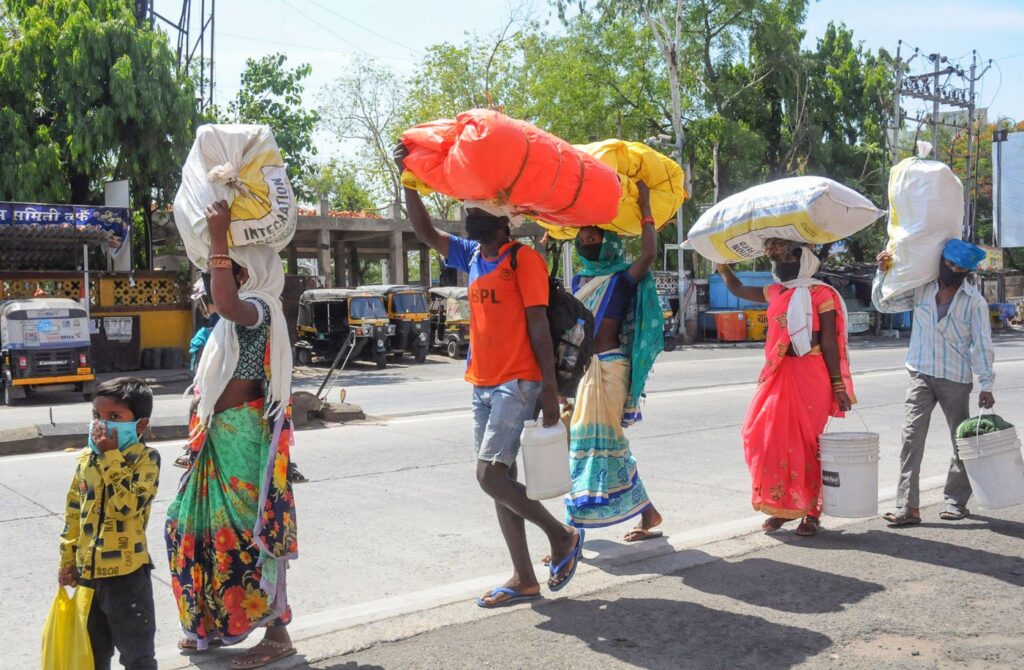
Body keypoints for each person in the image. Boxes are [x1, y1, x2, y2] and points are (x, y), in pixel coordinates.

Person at [396, 144, 584, 608]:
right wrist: (407, 176)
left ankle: (561, 536)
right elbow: (423, 229)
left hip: (518, 380)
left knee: (488, 476)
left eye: (477, 212)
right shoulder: (472, 255)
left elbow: (539, 327)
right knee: (502, 480)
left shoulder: (524, 260)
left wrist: (549, 390)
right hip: (481, 381)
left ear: (502, 221)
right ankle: (524, 577)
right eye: (467, 211)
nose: (468, 218)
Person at [165, 201, 299, 669]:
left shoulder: (258, 310)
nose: (223, 275)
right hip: (217, 439)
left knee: (249, 536)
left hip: (243, 440)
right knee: (189, 528)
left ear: (255, 272)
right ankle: (212, 624)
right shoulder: (231, 321)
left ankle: (276, 633)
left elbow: (224, 300)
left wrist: (220, 236)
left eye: (234, 269)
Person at [718, 239, 855, 537]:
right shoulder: (776, 291)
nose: (781, 262)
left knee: (807, 445)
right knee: (763, 437)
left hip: (812, 375)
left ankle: (811, 512)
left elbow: (830, 341)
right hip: (779, 372)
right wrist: (724, 268)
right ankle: (781, 505)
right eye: (776, 257)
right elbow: (739, 290)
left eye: (786, 255)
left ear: (803, 258)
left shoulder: (822, 293)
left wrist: (838, 385)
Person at [563, 183, 665, 539]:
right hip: (581, 372)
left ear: (608, 243)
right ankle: (648, 513)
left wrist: (645, 206)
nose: (587, 243)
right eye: (582, 239)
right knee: (594, 445)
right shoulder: (578, 281)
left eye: (594, 238)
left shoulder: (622, 278)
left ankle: (570, 532)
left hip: (610, 367)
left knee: (592, 445)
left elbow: (649, 254)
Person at [873, 239, 995, 526]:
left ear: (968, 271)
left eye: (959, 268)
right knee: (911, 438)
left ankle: (955, 502)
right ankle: (907, 507)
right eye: (949, 264)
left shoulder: (974, 302)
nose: (952, 270)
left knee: (960, 442)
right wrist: (882, 272)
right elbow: (884, 303)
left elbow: (982, 344)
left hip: (955, 378)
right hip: (920, 373)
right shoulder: (921, 290)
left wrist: (986, 383)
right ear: (940, 262)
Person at [58, 377, 161, 670]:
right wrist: (68, 559)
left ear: (140, 425)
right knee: (92, 654)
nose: (102, 425)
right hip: (88, 574)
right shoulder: (85, 460)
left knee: (137, 656)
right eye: (96, 416)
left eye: (114, 417)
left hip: (126, 576)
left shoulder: (145, 460)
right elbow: (74, 513)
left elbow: (126, 506)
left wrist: (111, 456)